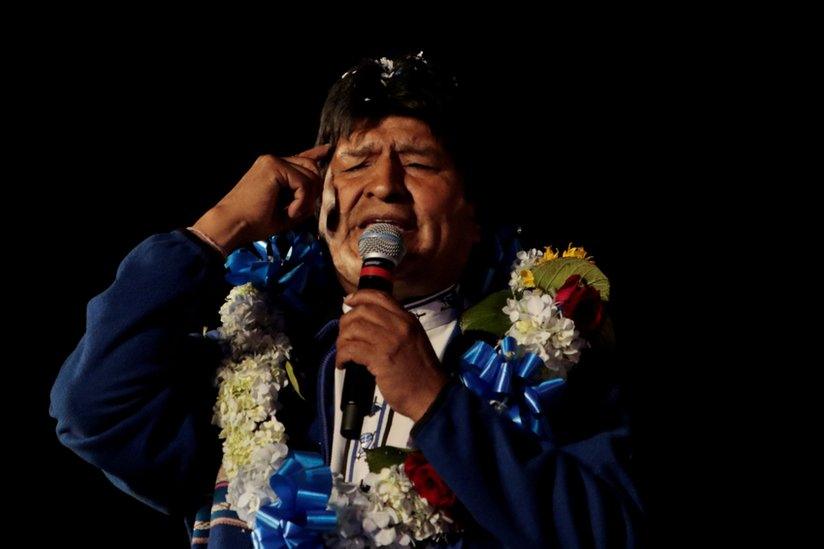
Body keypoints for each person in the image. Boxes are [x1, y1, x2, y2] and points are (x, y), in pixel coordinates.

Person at [50, 52, 643, 548]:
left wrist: (436, 404)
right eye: (356, 163)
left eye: (416, 163)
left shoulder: (551, 367)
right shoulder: (261, 375)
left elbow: (612, 532)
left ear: (473, 216)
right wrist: (220, 228)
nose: (384, 185)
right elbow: (93, 407)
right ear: (319, 204)